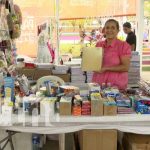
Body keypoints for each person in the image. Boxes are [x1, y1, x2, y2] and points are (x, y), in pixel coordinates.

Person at [92, 19, 131, 90]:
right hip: (99, 86)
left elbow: (126, 67)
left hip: (116, 88)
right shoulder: (99, 44)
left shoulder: (123, 46)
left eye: (113, 28)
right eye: (107, 28)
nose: (109, 30)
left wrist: (106, 68)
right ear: (104, 30)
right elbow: (95, 65)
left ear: (117, 31)